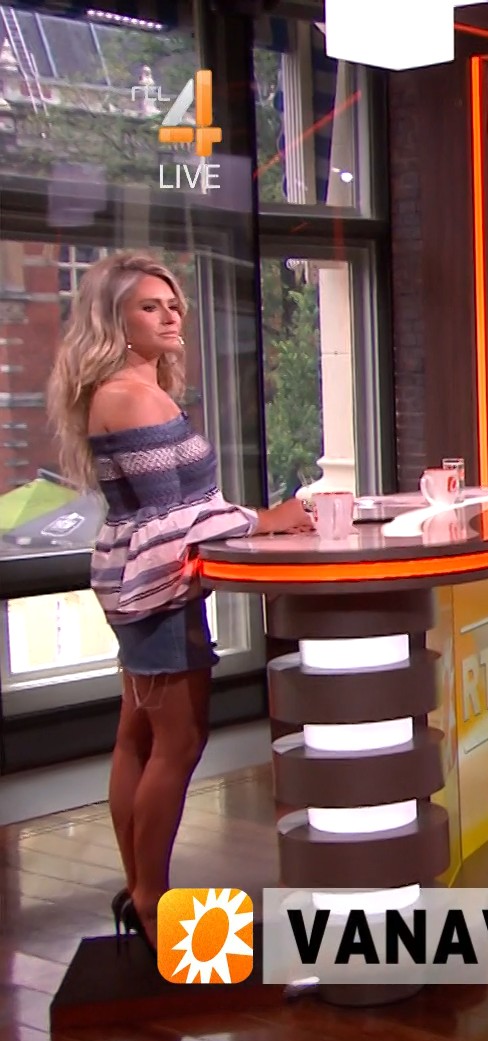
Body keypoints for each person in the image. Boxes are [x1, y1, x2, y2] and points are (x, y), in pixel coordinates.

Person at [46, 251, 311, 949]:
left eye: (173, 306)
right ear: (115, 319)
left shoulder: (133, 388)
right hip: (156, 589)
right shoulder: (130, 397)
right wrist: (266, 520)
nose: (170, 318)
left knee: (138, 734)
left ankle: (141, 887)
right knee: (179, 739)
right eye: (150, 307)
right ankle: (150, 898)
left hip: (144, 583)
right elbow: (175, 517)